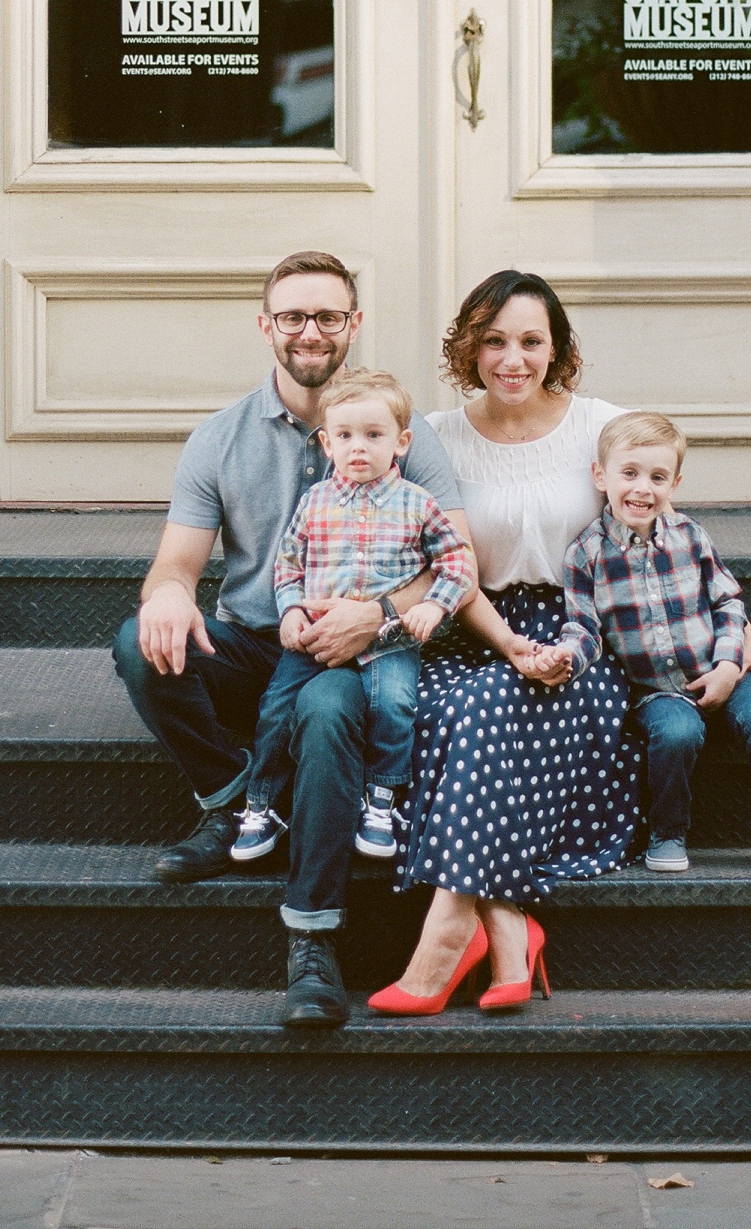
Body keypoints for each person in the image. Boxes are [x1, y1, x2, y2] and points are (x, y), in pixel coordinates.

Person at [368, 271, 751, 1018]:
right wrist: (501, 643)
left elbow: (670, 538)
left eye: (532, 340)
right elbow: (443, 562)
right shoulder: (437, 436)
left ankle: (448, 936)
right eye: (493, 340)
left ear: (556, 346)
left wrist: (743, 640)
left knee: (483, 712)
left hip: (582, 636)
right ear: (468, 347)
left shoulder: (601, 424)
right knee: (456, 705)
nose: (512, 358)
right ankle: (502, 929)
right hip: (478, 627)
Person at [112, 251, 468, 1028]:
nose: (312, 331)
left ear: (354, 323)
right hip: (259, 639)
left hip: (360, 649)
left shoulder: (400, 431)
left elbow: (460, 563)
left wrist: (373, 615)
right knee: (138, 641)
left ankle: (312, 940)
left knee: (330, 714)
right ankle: (232, 801)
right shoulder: (221, 437)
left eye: (329, 316)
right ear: (267, 325)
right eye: (295, 316)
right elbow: (176, 559)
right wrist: (170, 592)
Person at [231, 368, 475, 865]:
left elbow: (457, 562)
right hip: (317, 636)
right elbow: (289, 565)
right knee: (277, 708)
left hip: (390, 640)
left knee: (394, 705)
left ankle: (382, 800)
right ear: (326, 443)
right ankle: (260, 803)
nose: (358, 447)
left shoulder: (418, 504)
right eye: (344, 436)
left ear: (401, 442)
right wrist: (291, 609)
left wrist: (433, 604)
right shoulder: (314, 502)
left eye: (373, 435)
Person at [546, 410, 751, 876]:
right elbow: (583, 628)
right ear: (600, 476)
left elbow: (728, 603)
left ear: (675, 483)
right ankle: (668, 833)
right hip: (656, 691)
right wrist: (567, 655)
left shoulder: (690, 535)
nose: (643, 488)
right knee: (676, 734)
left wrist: (729, 665)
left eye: (657, 477)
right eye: (629, 473)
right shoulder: (586, 554)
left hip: (720, 666)